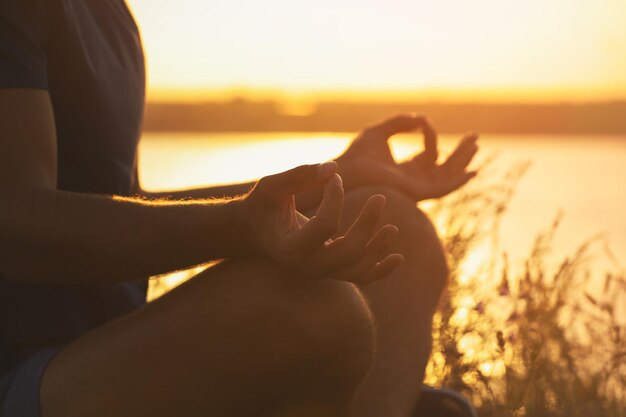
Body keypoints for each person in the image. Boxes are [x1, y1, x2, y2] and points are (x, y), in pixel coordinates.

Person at [0, 1, 478, 416]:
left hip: (110, 348)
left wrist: (341, 174)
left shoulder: (112, 14)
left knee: (402, 233)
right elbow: (19, 228)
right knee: (317, 305)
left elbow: (125, 207)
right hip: (25, 379)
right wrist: (242, 226)